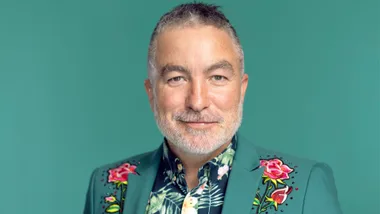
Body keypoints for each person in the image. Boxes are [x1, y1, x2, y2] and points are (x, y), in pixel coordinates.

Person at [83, 2, 343, 214]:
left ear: (241, 89)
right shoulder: (107, 186)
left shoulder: (305, 185)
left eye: (217, 77)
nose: (197, 102)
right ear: (151, 92)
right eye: (177, 79)